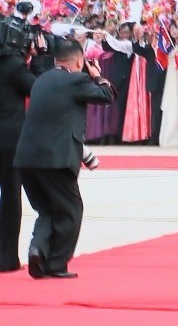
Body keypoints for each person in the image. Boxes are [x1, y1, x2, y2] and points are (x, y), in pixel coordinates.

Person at [14, 39, 116, 279]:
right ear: (79, 61)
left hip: (27, 157)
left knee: (46, 209)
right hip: (56, 159)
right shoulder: (76, 79)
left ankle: (38, 250)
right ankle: (56, 263)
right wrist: (97, 76)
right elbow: (106, 95)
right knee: (71, 210)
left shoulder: (41, 81)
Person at [0, 53, 36, 272]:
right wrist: (40, 61)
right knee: (11, 196)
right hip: (9, 140)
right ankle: (7, 257)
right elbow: (37, 89)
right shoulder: (14, 66)